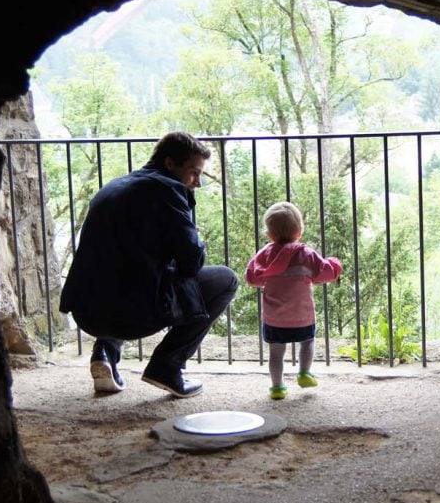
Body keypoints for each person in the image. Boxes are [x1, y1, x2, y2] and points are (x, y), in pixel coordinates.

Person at [59, 131, 238, 398]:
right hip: (129, 317)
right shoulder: (169, 191)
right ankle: (167, 367)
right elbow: (192, 262)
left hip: (85, 313)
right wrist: (194, 237)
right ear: (170, 163)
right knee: (226, 279)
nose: (197, 182)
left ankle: (105, 353)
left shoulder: (114, 185)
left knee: (123, 269)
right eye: (193, 172)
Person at [244, 201, 342, 400]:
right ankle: (305, 373)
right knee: (307, 342)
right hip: (302, 316)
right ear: (299, 230)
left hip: (274, 319)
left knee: (276, 353)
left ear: (270, 234)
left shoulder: (264, 255)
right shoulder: (306, 254)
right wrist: (335, 264)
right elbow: (326, 274)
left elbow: (252, 278)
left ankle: (278, 387)